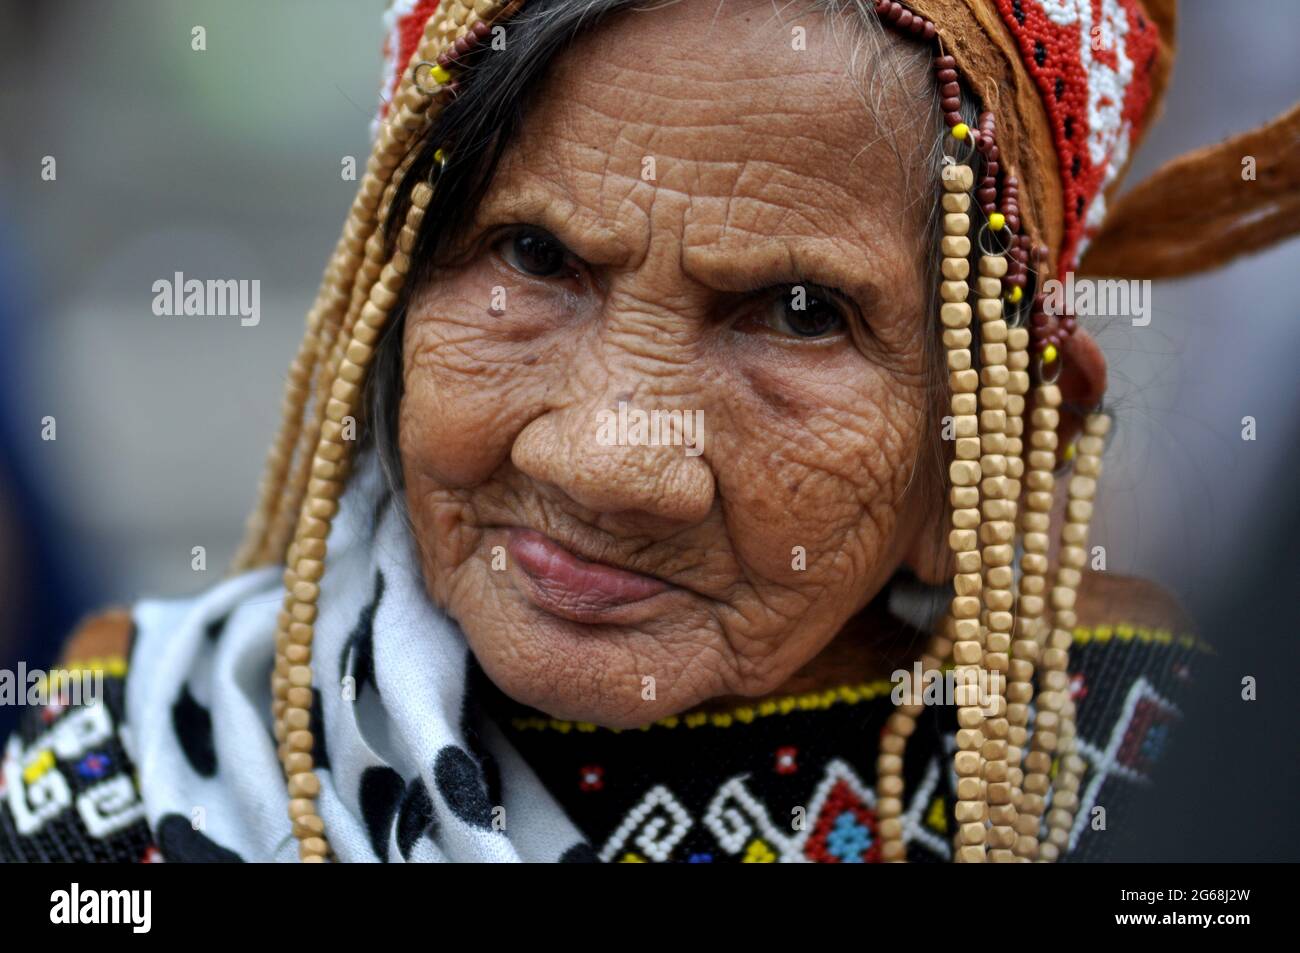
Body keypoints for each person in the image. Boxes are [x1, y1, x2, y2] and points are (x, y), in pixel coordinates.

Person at [2, 0, 1296, 863]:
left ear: (974, 436)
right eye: (532, 254)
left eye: (799, 313)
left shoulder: (1177, 800)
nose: (609, 457)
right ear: (386, 301)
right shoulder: (107, 804)